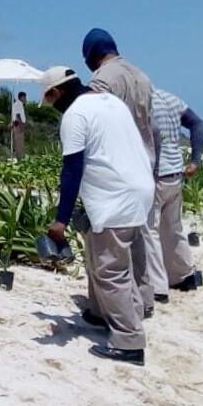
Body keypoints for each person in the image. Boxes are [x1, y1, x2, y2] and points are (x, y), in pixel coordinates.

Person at [43, 67, 154, 365]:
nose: (52, 107)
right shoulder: (111, 102)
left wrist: (60, 221)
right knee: (118, 264)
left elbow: (72, 170)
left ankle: (129, 341)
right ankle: (105, 316)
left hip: (114, 199)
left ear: (57, 92)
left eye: (50, 100)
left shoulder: (75, 115)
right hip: (140, 190)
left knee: (109, 270)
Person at [82, 28, 159, 317]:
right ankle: (144, 300)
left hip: (115, 169)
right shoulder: (142, 76)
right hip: (144, 167)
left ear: (92, 53)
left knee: (106, 250)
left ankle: (107, 311)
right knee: (137, 240)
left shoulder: (104, 78)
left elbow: (94, 119)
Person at [149, 88, 203, 299]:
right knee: (173, 228)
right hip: (176, 172)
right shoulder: (169, 99)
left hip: (154, 174)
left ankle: (157, 287)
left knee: (150, 231)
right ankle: (183, 276)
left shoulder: (138, 100)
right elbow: (197, 123)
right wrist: (196, 160)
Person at [11, 91, 28, 159]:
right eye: (25, 97)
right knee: (19, 143)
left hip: (19, 125)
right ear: (22, 97)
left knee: (20, 143)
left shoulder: (19, 104)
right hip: (18, 125)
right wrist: (21, 127)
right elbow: (18, 116)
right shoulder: (18, 104)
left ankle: (20, 157)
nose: (26, 99)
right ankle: (19, 158)